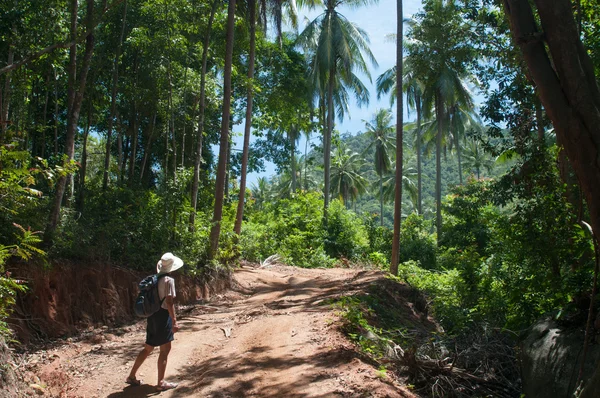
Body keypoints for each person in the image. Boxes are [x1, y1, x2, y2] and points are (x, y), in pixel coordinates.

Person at [126, 252, 183, 391]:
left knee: (148, 347)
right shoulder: (169, 281)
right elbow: (169, 302)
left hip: (152, 315)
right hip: (163, 316)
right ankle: (161, 382)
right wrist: (174, 321)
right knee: (165, 350)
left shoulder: (154, 278)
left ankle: (131, 376)